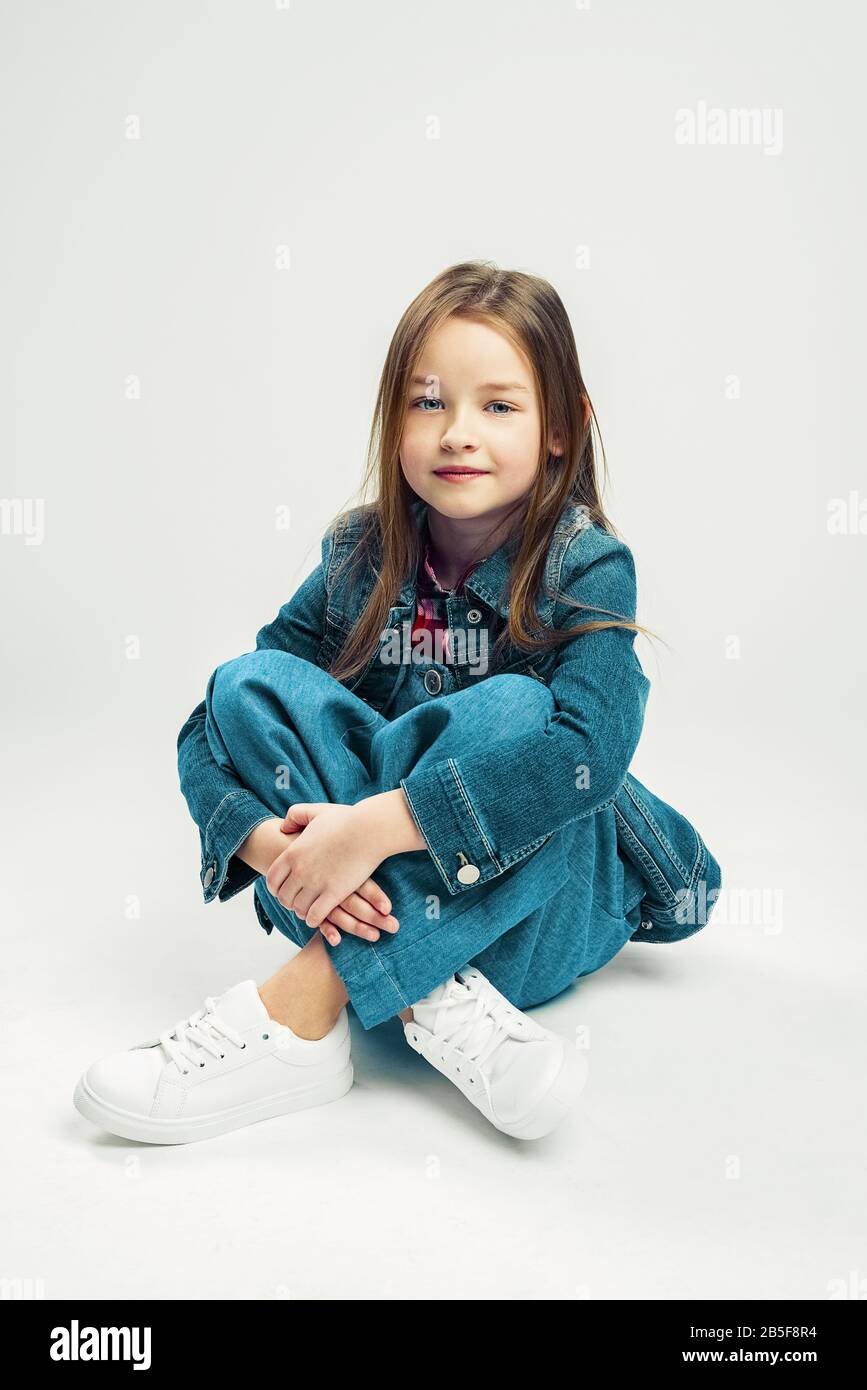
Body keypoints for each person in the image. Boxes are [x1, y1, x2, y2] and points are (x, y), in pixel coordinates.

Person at [73, 260, 722, 1146]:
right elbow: (218, 723)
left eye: (498, 406)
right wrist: (271, 848)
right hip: (365, 894)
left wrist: (376, 827)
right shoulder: (360, 552)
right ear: (393, 419)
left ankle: (300, 1011)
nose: (458, 433)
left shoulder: (585, 564)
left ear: (563, 428)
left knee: (519, 718)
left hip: (537, 909)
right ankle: (428, 988)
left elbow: (588, 756)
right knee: (244, 685)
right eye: (428, 403)